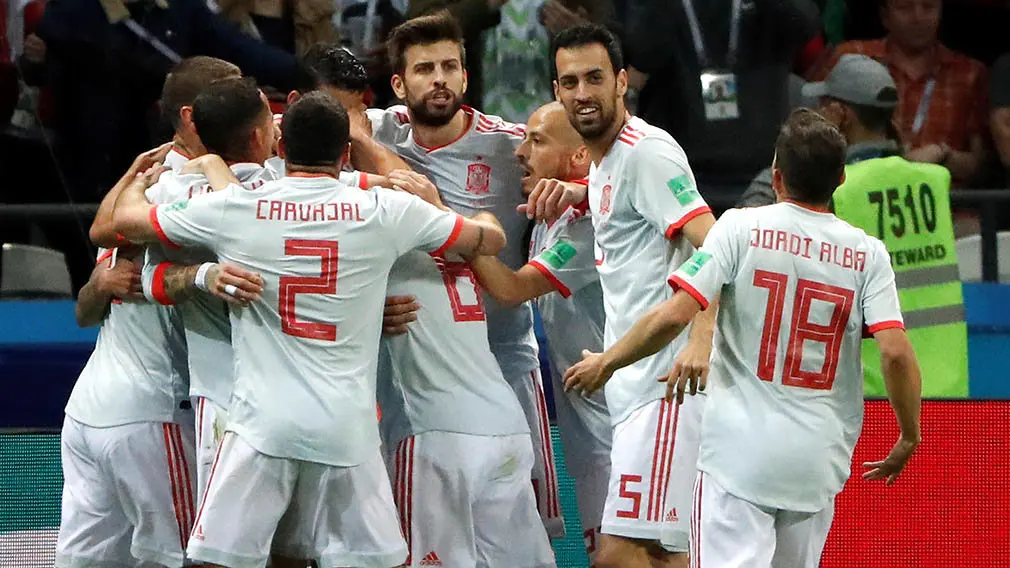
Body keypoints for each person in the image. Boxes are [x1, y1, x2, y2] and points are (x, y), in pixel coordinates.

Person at [111, 91, 507, 568]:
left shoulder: (238, 207)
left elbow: (127, 223)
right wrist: (481, 218)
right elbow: (488, 240)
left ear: (280, 148)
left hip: (263, 428)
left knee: (214, 561)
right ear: (344, 154)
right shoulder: (384, 210)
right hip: (348, 432)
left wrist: (137, 181)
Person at [564, 108, 923, 568]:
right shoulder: (867, 254)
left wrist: (608, 362)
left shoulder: (739, 228)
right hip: (817, 460)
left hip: (739, 457)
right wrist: (909, 434)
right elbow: (894, 352)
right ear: (840, 179)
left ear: (775, 177)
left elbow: (673, 315)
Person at [528, 23, 718, 568]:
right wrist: (579, 190)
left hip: (668, 385)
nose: (582, 93)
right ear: (557, 91)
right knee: (662, 554)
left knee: (619, 553)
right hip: (639, 391)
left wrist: (700, 341)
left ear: (622, 82)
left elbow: (718, 245)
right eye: (570, 82)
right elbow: (631, 211)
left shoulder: (648, 153)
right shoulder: (606, 163)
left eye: (594, 78)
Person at [370, 13, 565, 538]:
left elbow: (586, 162)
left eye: (450, 67)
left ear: (465, 77)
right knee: (418, 519)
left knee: (532, 515)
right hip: (410, 366)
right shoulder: (373, 133)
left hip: (503, 354)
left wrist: (580, 190)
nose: (439, 79)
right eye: (425, 69)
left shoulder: (511, 146)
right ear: (398, 84)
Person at [374, 171, 555, 567]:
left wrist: (363, 314)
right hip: (505, 427)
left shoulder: (379, 246)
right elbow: (488, 225)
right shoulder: (471, 239)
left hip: (432, 433)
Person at [468, 100, 612, 561]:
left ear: (579, 158)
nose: (519, 152)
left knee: (631, 555)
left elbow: (509, 290)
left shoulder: (587, 227)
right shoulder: (551, 214)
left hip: (617, 425)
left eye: (537, 140)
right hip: (584, 420)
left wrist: (462, 231)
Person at [138, 76, 281, 509]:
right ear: (258, 137)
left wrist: (137, 180)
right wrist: (203, 275)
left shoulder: (168, 193)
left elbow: (147, 279)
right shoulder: (292, 191)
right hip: (247, 399)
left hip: (246, 401)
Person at [807, 55, 967, 398]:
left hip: (876, 394)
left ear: (840, 115)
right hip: (951, 389)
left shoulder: (837, 190)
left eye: (824, 108)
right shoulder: (934, 180)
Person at [810, 0, 988, 188]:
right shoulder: (850, 57)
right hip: (858, 188)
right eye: (905, 8)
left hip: (944, 203)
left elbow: (981, 166)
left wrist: (943, 155)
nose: (918, 18)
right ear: (885, 16)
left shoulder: (970, 73)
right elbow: (811, 133)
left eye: (928, 7)